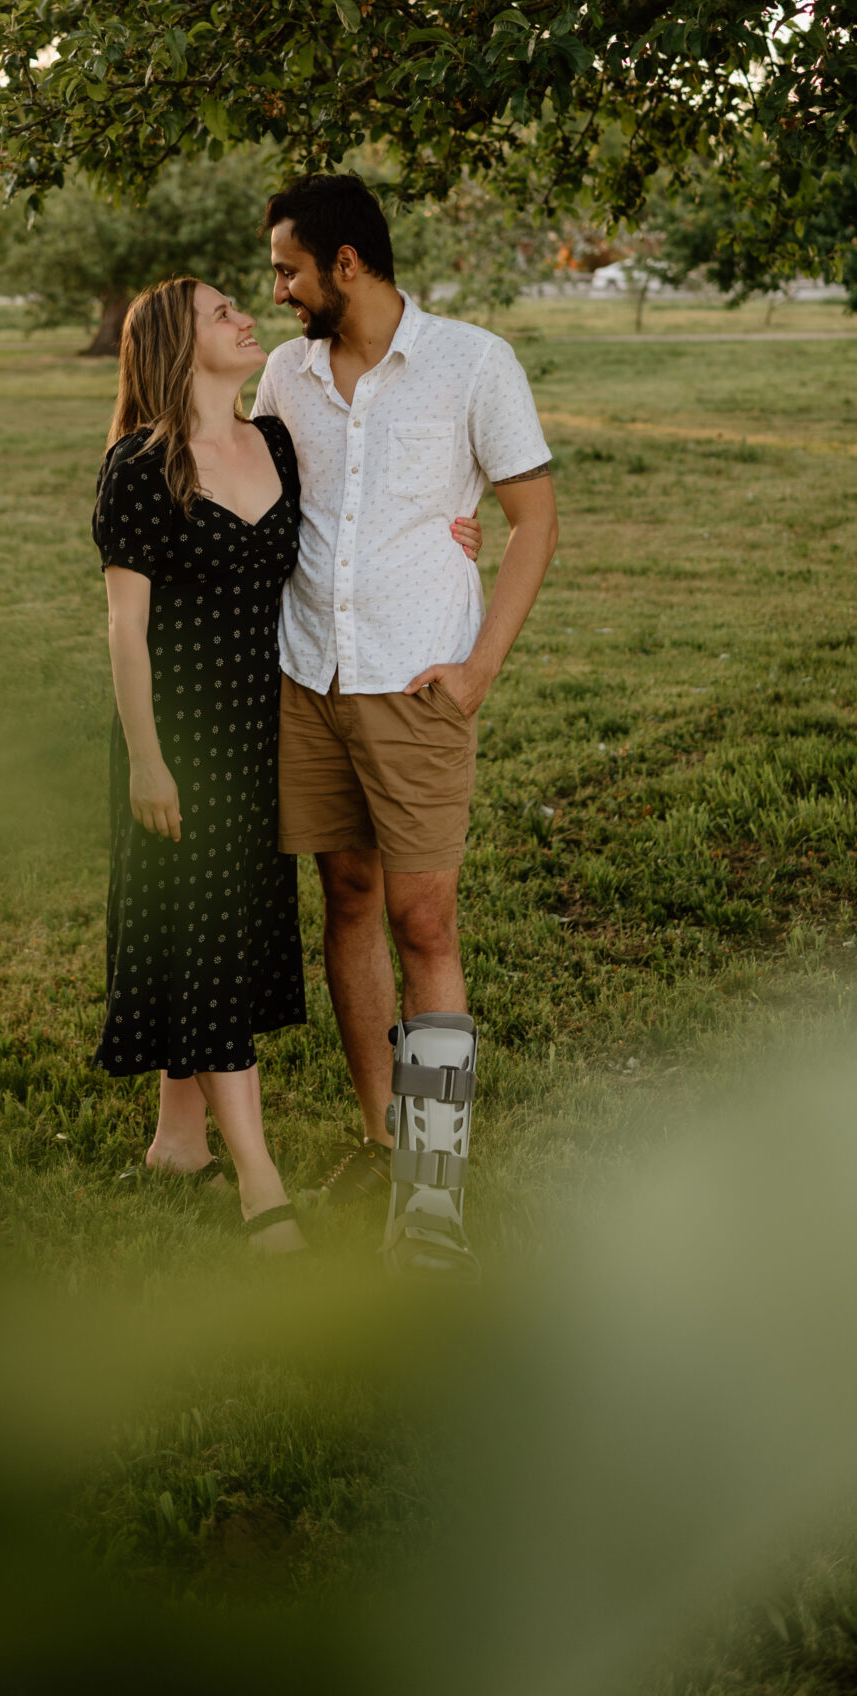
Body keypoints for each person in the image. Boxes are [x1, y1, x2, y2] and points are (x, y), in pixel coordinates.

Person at [91, 276, 483, 1258]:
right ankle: (259, 1184)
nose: (243, 318)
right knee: (211, 935)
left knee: (210, 928)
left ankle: (179, 1141)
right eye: (222, 311)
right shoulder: (139, 466)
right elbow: (123, 629)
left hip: (268, 729)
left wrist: (444, 533)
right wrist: (146, 759)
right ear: (181, 344)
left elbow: (350, 524)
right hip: (179, 740)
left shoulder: (271, 440)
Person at [252, 175, 559, 1275]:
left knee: (424, 926)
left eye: (287, 268)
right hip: (308, 679)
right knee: (346, 899)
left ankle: (434, 1190)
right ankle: (383, 1138)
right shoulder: (282, 375)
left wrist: (477, 670)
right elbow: (254, 493)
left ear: (345, 263)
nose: (276, 290)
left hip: (418, 689)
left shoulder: (472, 362)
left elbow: (532, 522)